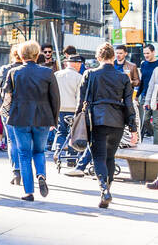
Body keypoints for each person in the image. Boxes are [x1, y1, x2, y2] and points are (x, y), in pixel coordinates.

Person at [77, 43, 140, 208]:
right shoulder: (123, 77)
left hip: (96, 120)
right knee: (110, 157)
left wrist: (77, 122)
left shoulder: (90, 74)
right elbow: (129, 104)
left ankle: (104, 189)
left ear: (98, 57)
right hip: (117, 121)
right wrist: (133, 128)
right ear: (113, 57)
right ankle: (108, 188)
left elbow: (81, 102)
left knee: (98, 156)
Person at [4, 40, 61, 202]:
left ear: (21, 55)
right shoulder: (47, 73)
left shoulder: (14, 73)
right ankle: (41, 174)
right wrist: (54, 120)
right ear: (37, 55)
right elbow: (55, 98)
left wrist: (6, 115)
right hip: (43, 118)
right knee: (39, 151)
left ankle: (28, 192)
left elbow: (7, 96)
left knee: (24, 153)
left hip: (20, 117)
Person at [0, 48, 23, 184]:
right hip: (25, 108)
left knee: (12, 140)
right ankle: (26, 169)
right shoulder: (27, 69)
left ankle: (16, 171)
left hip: (8, 107)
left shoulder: (5, 68)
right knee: (25, 140)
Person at [52, 53, 86, 154]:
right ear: (76, 64)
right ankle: (71, 156)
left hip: (59, 108)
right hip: (73, 109)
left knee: (60, 131)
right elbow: (79, 96)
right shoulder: (79, 77)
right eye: (79, 64)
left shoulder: (56, 75)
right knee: (73, 133)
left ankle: (58, 150)